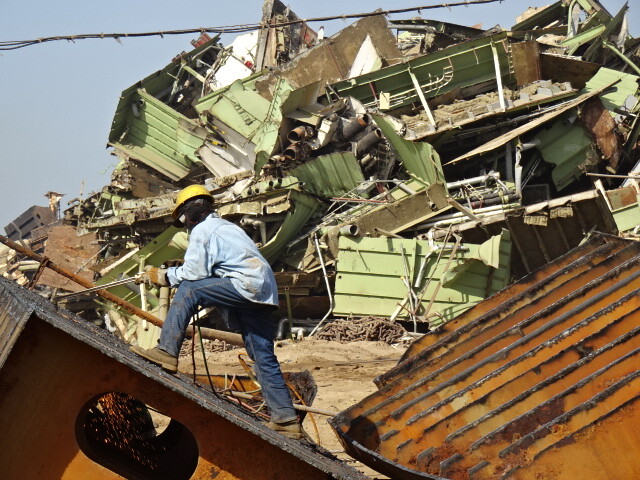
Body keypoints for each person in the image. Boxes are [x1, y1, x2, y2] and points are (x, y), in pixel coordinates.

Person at [131, 185, 305, 440]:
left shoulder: (202, 230)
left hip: (246, 286)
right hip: (263, 291)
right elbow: (215, 269)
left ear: (187, 214)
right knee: (262, 355)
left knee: (189, 289)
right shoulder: (227, 228)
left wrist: (162, 276)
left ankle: (166, 351)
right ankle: (286, 420)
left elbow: (193, 276)